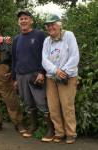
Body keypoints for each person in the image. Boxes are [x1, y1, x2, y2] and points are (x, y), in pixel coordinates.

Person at [12, 10, 54, 141]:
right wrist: (14, 78)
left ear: (31, 20)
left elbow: (46, 55)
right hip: (21, 76)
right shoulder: (16, 39)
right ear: (19, 22)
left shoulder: (39, 35)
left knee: (41, 102)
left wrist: (42, 72)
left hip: (36, 75)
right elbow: (14, 59)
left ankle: (51, 129)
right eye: (21, 19)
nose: (23, 21)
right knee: (28, 104)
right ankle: (33, 126)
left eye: (26, 18)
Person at [42, 14, 79, 144]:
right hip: (52, 78)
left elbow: (74, 56)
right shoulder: (47, 41)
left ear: (59, 25)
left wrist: (63, 71)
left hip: (67, 77)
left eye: (53, 24)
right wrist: (55, 70)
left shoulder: (69, 35)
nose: (51, 27)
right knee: (53, 107)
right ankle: (59, 132)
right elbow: (44, 59)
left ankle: (71, 133)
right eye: (48, 25)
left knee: (67, 106)